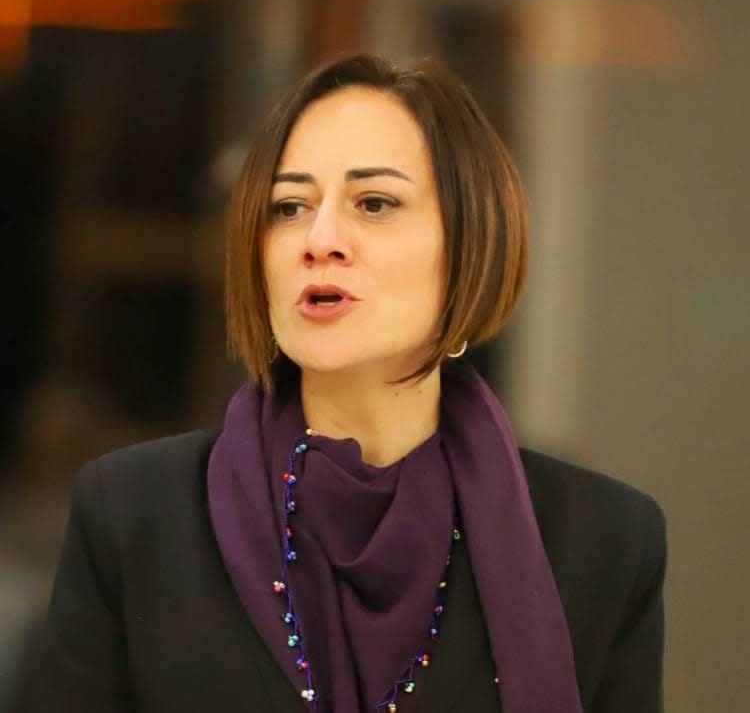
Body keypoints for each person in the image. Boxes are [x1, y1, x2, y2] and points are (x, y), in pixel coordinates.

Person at [24, 54, 666, 713]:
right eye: (289, 207)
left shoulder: (603, 544)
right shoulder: (134, 517)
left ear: (471, 241)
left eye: (375, 203)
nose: (320, 238)